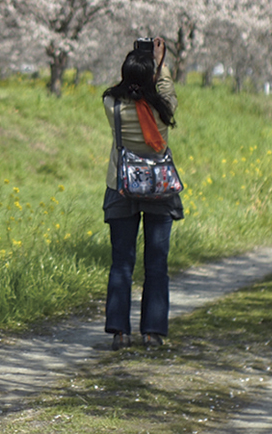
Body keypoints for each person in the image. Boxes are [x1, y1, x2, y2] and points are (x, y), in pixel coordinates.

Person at [101, 36, 179, 350]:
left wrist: (137, 67)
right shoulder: (163, 110)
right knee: (156, 264)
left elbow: (125, 87)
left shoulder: (112, 105)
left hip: (121, 187)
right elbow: (166, 91)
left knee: (121, 262)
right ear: (151, 76)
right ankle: (152, 333)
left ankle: (120, 332)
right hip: (159, 189)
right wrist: (160, 65)